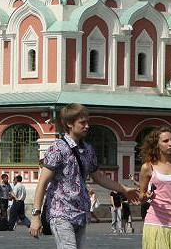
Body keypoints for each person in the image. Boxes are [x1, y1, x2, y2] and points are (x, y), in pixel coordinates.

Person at [29, 103, 139, 248]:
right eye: (82, 122)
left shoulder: (88, 149)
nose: (87, 126)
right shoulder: (57, 148)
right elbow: (42, 182)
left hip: (80, 212)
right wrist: (36, 216)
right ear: (69, 124)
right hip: (60, 212)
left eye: (88, 122)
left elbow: (99, 177)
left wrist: (123, 189)